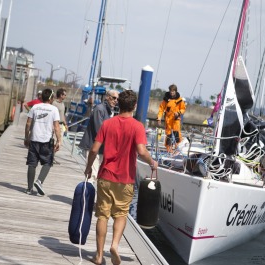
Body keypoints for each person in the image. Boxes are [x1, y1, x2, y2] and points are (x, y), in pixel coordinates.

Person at [84, 90, 158, 265]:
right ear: (134, 106)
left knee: (102, 215)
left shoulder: (108, 124)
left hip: (105, 176)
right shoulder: (137, 126)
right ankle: (115, 246)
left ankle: (99, 256)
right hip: (125, 179)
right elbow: (141, 151)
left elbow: (94, 149)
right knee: (121, 214)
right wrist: (152, 162)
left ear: (119, 104)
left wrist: (88, 168)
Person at [24, 88, 61, 195]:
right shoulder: (54, 109)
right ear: (51, 98)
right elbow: (57, 127)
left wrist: (26, 137)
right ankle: (39, 181)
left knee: (32, 164)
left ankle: (29, 189)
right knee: (48, 162)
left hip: (34, 139)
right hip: (46, 141)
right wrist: (59, 141)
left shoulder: (35, 107)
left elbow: (28, 124)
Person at [78, 89, 120, 179]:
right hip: (93, 147)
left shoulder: (108, 111)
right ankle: (87, 192)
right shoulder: (100, 109)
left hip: (101, 149)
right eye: (114, 98)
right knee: (92, 174)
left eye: (117, 99)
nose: (116, 101)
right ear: (107, 97)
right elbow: (100, 131)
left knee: (97, 174)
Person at [157, 84, 186, 152]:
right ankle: (169, 150)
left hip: (176, 119)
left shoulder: (179, 100)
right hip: (168, 119)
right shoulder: (166, 100)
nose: (171, 92)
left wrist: (178, 112)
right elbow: (161, 109)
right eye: (170, 91)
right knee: (168, 135)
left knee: (177, 134)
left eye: (173, 91)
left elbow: (183, 109)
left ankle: (178, 149)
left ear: (175, 91)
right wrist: (159, 118)